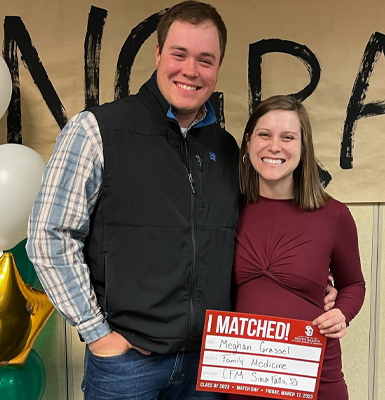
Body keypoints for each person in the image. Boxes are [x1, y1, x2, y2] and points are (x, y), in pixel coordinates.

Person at [26, 2, 337, 399]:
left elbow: (257, 228)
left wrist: (313, 280)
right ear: (157, 54)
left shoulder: (226, 149)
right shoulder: (96, 130)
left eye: (205, 60)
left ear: (218, 66)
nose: (191, 70)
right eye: (179, 54)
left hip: (211, 363)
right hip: (126, 364)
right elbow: (49, 236)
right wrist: (96, 332)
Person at [229, 95, 365, 400]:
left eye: (288, 137)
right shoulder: (225, 210)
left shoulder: (334, 215)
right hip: (241, 377)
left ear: (303, 148)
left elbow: (354, 283)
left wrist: (342, 312)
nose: (274, 146)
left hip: (316, 379)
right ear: (248, 142)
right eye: (264, 135)